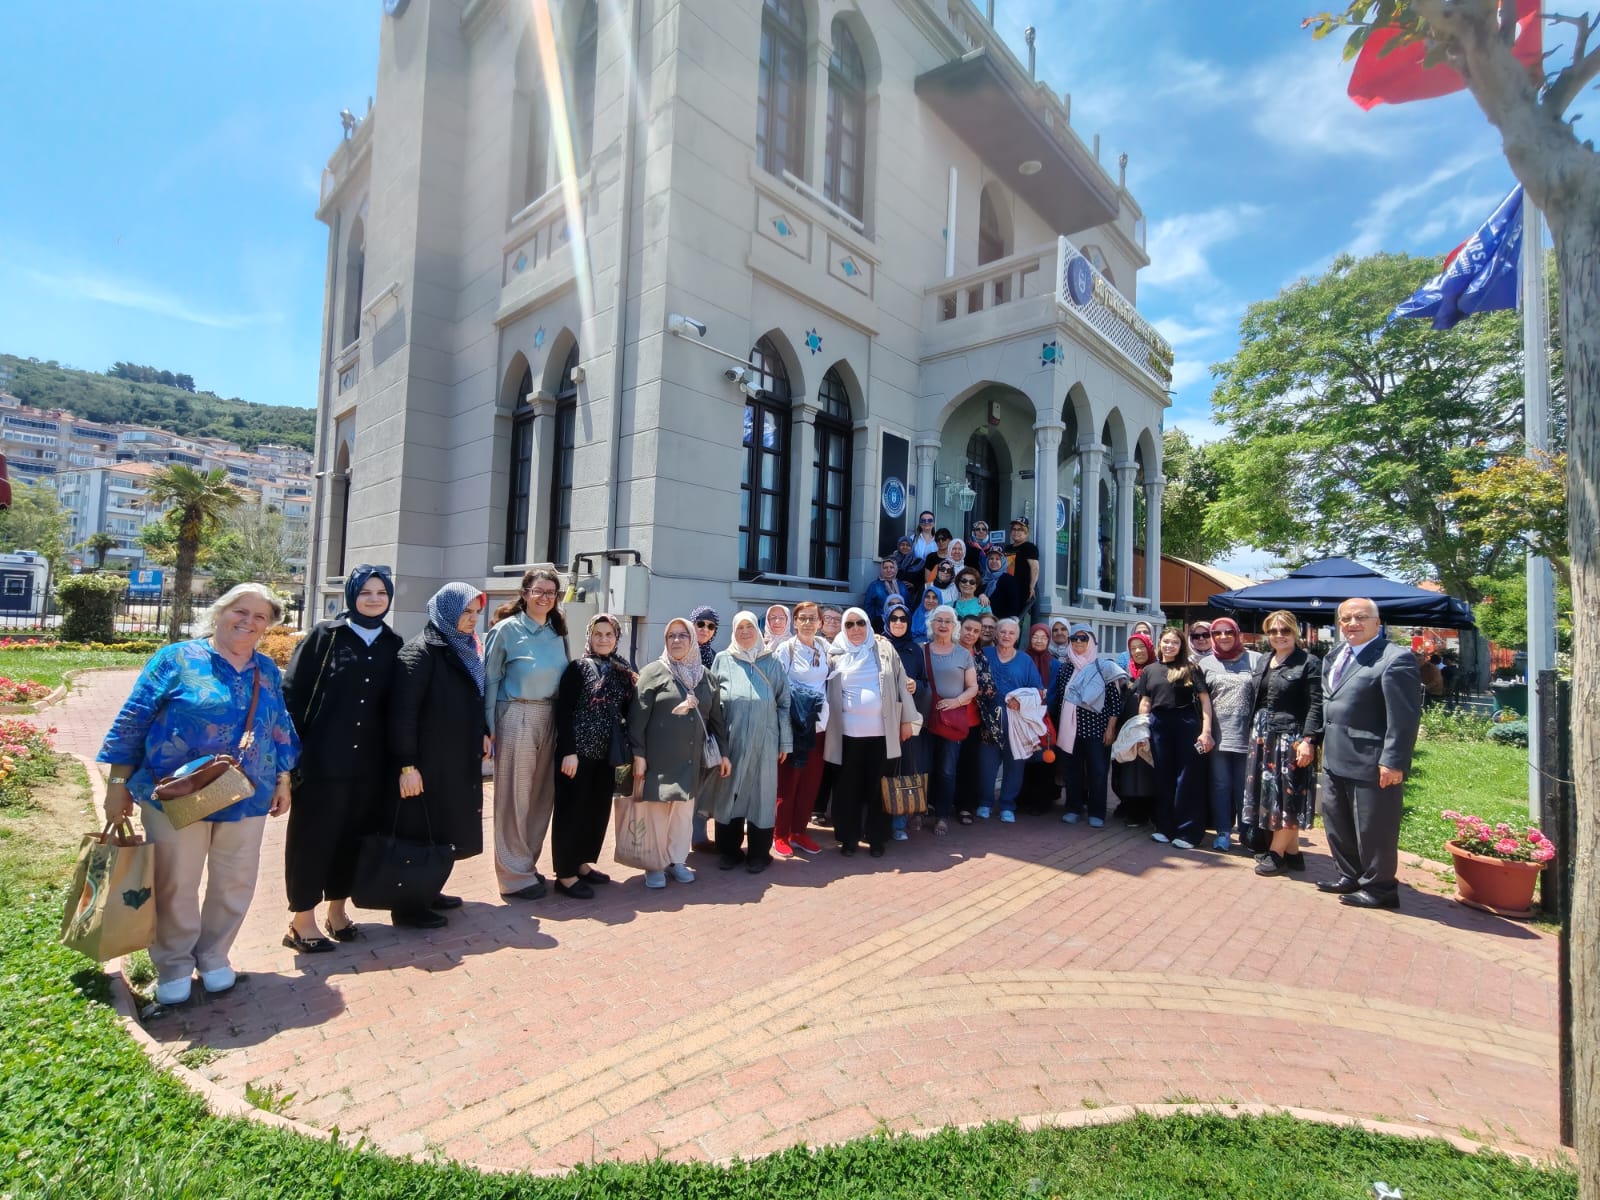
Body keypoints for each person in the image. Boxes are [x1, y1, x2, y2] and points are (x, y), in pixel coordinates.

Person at [99, 584, 301, 1006]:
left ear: (268, 626)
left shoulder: (266, 669)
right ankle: (173, 964)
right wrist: (118, 785)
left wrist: (284, 778)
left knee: (235, 880)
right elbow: (134, 720)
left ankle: (213, 956)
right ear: (220, 611)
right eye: (240, 611)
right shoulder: (175, 659)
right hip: (176, 792)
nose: (248, 622)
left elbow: (279, 725)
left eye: (260, 617)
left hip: (248, 792)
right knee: (176, 880)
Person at [281, 564, 403, 950]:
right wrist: (288, 759)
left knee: (353, 839)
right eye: (365, 592)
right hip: (322, 761)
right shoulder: (326, 636)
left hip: (368, 765)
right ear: (351, 595)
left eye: (381, 593)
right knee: (312, 839)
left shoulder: (392, 643)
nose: (374, 599)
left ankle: (338, 911)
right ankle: (301, 921)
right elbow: (292, 694)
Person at [390, 583, 491, 927]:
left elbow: (472, 698)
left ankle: (430, 889)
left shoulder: (464, 647)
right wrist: (407, 765)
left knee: (442, 827)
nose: (472, 619)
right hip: (426, 761)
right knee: (420, 830)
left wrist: (482, 733)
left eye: (476, 612)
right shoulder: (420, 651)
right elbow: (403, 714)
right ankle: (409, 905)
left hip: (454, 758)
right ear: (446, 611)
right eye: (465, 612)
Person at [1317, 598, 1422, 909]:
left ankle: (1380, 889)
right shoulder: (1335, 655)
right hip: (1335, 756)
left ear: (1378, 622)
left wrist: (1393, 761)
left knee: (1374, 828)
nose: (1352, 623)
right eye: (1346, 618)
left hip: (1371, 760)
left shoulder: (1395, 659)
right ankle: (1349, 875)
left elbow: (1404, 718)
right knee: (1337, 822)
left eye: (1361, 617)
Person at [484, 568, 569, 901]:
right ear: (524, 593)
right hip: (516, 714)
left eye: (551, 592)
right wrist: (488, 728)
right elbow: (490, 679)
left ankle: (526, 864)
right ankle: (512, 876)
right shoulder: (506, 630)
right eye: (539, 591)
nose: (545, 597)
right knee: (514, 797)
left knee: (540, 797)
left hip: (550, 715)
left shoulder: (557, 631)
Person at [629, 618, 731, 887]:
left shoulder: (705, 677)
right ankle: (654, 864)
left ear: (692, 641)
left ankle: (676, 861)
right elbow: (637, 719)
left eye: (683, 635)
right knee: (657, 814)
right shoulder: (653, 672)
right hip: (658, 761)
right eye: (671, 636)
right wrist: (639, 755)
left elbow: (716, 721)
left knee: (683, 815)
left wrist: (724, 753)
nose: (676, 640)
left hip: (691, 761)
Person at [552, 614, 637, 899]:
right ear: (589, 636)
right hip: (577, 755)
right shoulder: (576, 668)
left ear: (616, 638)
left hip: (605, 755)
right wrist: (568, 751)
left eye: (609, 634)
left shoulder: (623, 671)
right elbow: (563, 712)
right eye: (598, 634)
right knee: (571, 812)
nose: (603, 639)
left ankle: (582, 863)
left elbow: (630, 709)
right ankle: (565, 874)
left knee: (595, 811)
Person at [822, 606, 917, 857]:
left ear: (867, 624)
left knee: (879, 788)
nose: (855, 629)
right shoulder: (834, 653)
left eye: (860, 623)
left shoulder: (884, 649)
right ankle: (848, 838)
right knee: (847, 788)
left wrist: (907, 721)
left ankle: (877, 838)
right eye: (849, 624)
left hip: (882, 734)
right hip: (846, 735)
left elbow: (902, 682)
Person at [706, 612, 792, 873]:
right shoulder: (723, 660)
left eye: (750, 626)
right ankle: (729, 851)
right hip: (731, 741)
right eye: (740, 627)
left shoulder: (772, 661)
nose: (745, 632)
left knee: (761, 796)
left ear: (757, 630)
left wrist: (785, 742)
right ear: (733, 631)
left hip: (766, 741)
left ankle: (759, 854)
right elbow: (712, 704)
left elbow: (784, 703)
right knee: (728, 794)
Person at [1243, 611, 1323, 876]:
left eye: (1285, 630)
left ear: (1295, 632)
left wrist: (1309, 740)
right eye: (1273, 631)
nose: (1279, 636)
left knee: (1289, 795)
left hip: (1291, 736)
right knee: (1271, 795)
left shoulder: (1309, 662)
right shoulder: (1264, 659)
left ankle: (1276, 854)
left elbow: (1316, 705)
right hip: (1263, 734)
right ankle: (1293, 853)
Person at [1135, 627, 1215, 850]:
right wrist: (1141, 731)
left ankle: (1188, 832)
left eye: (1175, 643)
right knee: (1162, 776)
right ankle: (1165, 828)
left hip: (1186, 723)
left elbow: (1205, 701)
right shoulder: (1149, 670)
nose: (1169, 646)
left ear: (1181, 646)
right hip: (1159, 724)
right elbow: (1145, 702)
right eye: (1166, 642)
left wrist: (1206, 731)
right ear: (1159, 643)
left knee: (1188, 778)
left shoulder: (1190, 668)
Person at [1049, 624, 1125, 827]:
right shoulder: (1065, 668)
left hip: (1097, 728)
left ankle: (1097, 812)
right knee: (1072, 771)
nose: (1078, 642)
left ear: (1091, 641)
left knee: (1098, 771)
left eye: (1083, 638)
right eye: (1074, 638)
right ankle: (1073, 808)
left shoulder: (1104, 667)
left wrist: (1111, 728)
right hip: (1069, 730)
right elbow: (1060, 700)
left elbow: (1114, 702)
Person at [1195, 616, 1260, 852]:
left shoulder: (1256, 660)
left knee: (1245, 787)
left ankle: (1247, 833)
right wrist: (1205, 732)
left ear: (1237, 634)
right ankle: (1223, 832)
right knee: (1220, 785)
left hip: (1248, 735)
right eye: (1218, 633)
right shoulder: (1205, 664)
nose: (1223, 637)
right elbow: (1202, 702)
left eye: (1229, 632)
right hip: (1218, 736)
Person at [772, 601, 829, 857]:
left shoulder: (824, 647)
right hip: (795, 726)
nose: (807, 623)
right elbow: (778, 688)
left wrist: (879, 640)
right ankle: (780, 834)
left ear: (820, 623)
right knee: (788, 782)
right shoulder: (786, 649)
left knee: (810, 782)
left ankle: (799, 831)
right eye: (802, 618)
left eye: (812, 618)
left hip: (819, 725)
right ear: (794, 622)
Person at [977, 618, 1045, 822]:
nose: (1006, 636)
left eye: (1011, 633)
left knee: (1015, 764)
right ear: (996, 634)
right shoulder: (985, 654)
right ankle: (985, 802)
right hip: (988, 721)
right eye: (1003, 632)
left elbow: (1038, 690)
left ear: (1017, 637)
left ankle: (1007, 805)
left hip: (1016, 722)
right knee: (986, 764)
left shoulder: (1025, 660)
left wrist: (1021, 701)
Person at [922, 605, 977, 836]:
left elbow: (973, 687)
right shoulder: (921, 650)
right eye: (938, 620)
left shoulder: (963, 654)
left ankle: (942, 816)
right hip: (924, 720)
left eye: (948, 621)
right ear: (931, 624)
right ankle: (919, 811)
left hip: (951, 721)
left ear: (954, 626)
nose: (943, 625)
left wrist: (956, 702)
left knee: (946, 770)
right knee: (923, 768)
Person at [882, 601, 929, 841]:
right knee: (881, 769)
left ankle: (898, 823)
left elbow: (925, 682)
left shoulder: (914, 649)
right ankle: (877, 821)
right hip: (879, 718)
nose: (898, 623)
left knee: (904, 769)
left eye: (903, 619)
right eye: (894, 618)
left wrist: (916, 685)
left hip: (905, 718)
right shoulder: (878, 645)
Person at [955, 613, 1002, 825]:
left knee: (968, 765)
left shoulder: (981, 657)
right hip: (947, 718)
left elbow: (990, 688)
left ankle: (965, 806)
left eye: (976, 631)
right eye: (968, 629)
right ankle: (939, 805)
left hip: (972, 720)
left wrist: (974, 689)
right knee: (945, 766)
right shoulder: (948, 651)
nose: (971, 634)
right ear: (959, 628)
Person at [1112, 632, 1158, 827]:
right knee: (1127, 769)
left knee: (1146, 770)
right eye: (1133, 648)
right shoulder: (1124, 673)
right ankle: (1129, 806)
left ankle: (1146, 811)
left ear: (1150, 648)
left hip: (1148, 728)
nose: (1138, 651)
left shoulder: (1157, 670)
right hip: (1126, 728)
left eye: (1141, 647)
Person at [1018, 623, 1061, 814]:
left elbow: (1057, 692)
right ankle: (1023, 798)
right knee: (1025, 758)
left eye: (1043, 637)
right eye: (1035, 636)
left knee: (1044, 760)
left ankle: (1041, 801)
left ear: (1048, 640)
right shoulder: (1021, 659)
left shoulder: (1055, 664)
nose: (1039, 640)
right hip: (1023, 717)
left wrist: (1045, 709)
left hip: (1046, 719)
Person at [687, 605, 720, 850]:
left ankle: (697, 835)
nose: (705, 629)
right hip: (682, 729)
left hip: (706, 729)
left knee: (704, 781)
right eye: (700, 623)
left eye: (710, 626)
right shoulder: (680, 650)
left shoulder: (716, 658)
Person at [1005, 517, 1040, 626]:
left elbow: (1035, 568)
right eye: (1014, 529)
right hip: (1007, 590)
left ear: (1026, 532)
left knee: (1017, 621)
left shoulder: (1029, 547)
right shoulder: (1007, 548)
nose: (1016, 532)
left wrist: (1032, 587)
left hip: (1022, 590)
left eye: (1020, 529)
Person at [863, 558, 908, 632]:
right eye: (885, 568)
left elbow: (908, 604)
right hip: (881, 623)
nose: (888, 570)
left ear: (895, 569)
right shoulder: (875, 585)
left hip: (899, 622)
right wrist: (874, 620)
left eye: (891, 567)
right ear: (881, 570)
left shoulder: (902, 585)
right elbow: (868, 606)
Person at [980, 545, 1023, 620]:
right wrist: (981, 595)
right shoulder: (982, 578)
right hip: (982, 619)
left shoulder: (1009, 580)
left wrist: (1011, 621)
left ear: (1003, 561)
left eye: (997, 559)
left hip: (1001, 621)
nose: (994, 561)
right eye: (991, 558)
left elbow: (1014, 603)